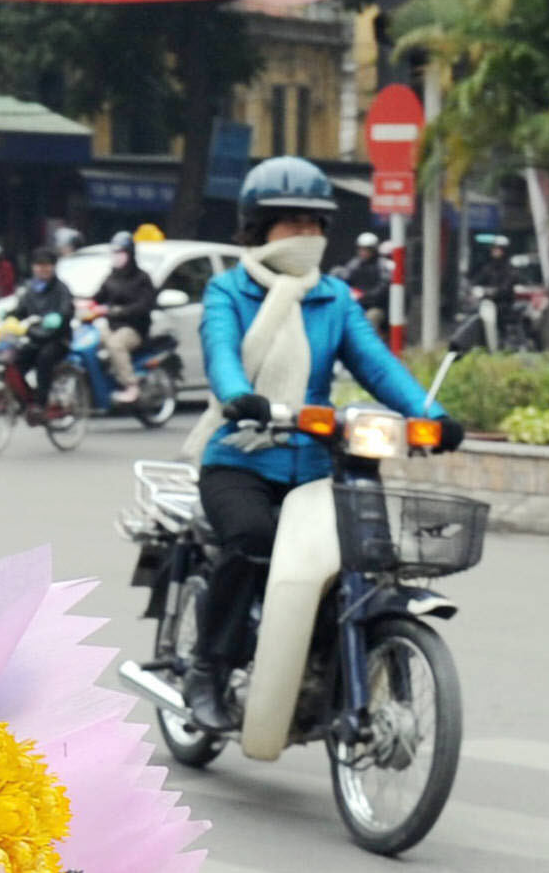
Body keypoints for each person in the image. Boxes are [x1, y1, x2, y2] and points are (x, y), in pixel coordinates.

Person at [184, 155, 457, 736]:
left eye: (316, 222)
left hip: (316, 464)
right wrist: (239, 395)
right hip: (240, 458)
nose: (308, 234)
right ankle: (208, 670)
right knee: (253, 539)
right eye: (293, 222)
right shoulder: (227, 291)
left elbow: (377, 364)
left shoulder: (334, 298)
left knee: (364, 559)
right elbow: (222, 353)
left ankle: (323, 674)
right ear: (258, 227)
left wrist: (429, 413)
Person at [90, 231, 158, 405]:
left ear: (130, 254)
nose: (117, 257)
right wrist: (85, 305)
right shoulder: (111, 277)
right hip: (111, 326)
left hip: (134, 328)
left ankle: (131, 385)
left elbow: (144, 306)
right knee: (89, 341)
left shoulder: (142, 278)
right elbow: (97, 297)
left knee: (115, 344)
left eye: (121, 253)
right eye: (115, 253)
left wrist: (117, 311)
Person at [7, 242, 76, 406]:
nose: (43, 269)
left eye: (47, 265)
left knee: (44, 359)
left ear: (53, 267)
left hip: (57, 340)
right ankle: (27, 400)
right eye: (39, 265)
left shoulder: (61, 289)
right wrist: (7, 316)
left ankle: (41, 404)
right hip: (35, 338)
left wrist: (59, 317)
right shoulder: (31, 289)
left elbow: (67, 310)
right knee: (15, 362)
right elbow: (20, 310)